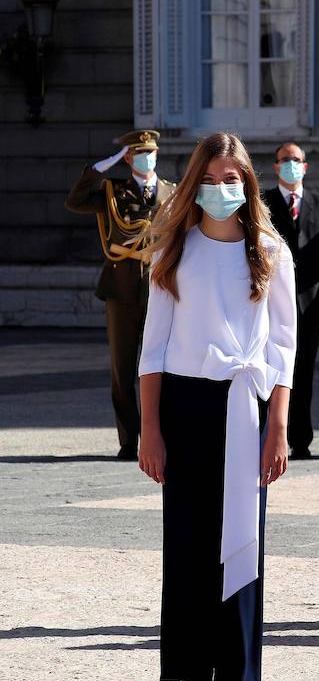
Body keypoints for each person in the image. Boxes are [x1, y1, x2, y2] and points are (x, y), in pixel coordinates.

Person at [136, 132, 297, 681]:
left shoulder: (269, 250)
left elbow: (284, 348)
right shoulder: (174, 251)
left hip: (245, 407)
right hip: (185, 404)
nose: (222, 189)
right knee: (188, 547)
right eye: (212, 177)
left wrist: (278, 427)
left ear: (248, 184)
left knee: (241, 543)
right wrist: (150, 430)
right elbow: (152, 349)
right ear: (194, 182)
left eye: (233, 179)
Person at [65, 130, 176, 459]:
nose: (147, 157)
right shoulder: (112, 192)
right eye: (139, 153)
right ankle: (129, 441)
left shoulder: (171, 192)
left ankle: (162, 436)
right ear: (127, 158)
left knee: (164, 366)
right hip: (122, 288)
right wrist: (100, 168)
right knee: (123, 368)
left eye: (151, 152)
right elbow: (75, 201)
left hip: (161, 288)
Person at [261, 142, 319, 459]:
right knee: (272, 367)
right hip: (270, 301)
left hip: (309, 302)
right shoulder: (263, 202)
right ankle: (269, 430)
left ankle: (300, 439)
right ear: (276, 166)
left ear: (305, 167)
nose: (291, 165)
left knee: (303, 371)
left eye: (296, 160)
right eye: (285, 160)